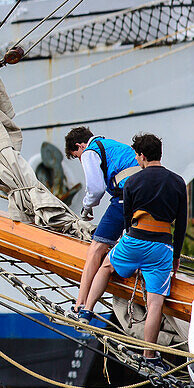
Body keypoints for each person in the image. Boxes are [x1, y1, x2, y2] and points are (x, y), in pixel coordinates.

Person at [81, 132, 188, 372]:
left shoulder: (131, 183)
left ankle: (86, 310)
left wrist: (130, 244)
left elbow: (128, 220)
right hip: (162, 247)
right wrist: (176, 256)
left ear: (140, 156)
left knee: (106, 267)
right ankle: (149, 355)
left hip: (135, 239)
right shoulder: (178, 181)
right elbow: (181, 223)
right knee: (155, 304)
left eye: (137, 157)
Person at [64, 126, 141, 320]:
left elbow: (96, 188)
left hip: (125, 198)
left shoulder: (90, 151)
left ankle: (80, 305)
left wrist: (86, 207)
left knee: (96, 248)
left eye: (77, 156)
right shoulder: (112, 145)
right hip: (142, 198)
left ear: (79, 146)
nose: (81, 160)